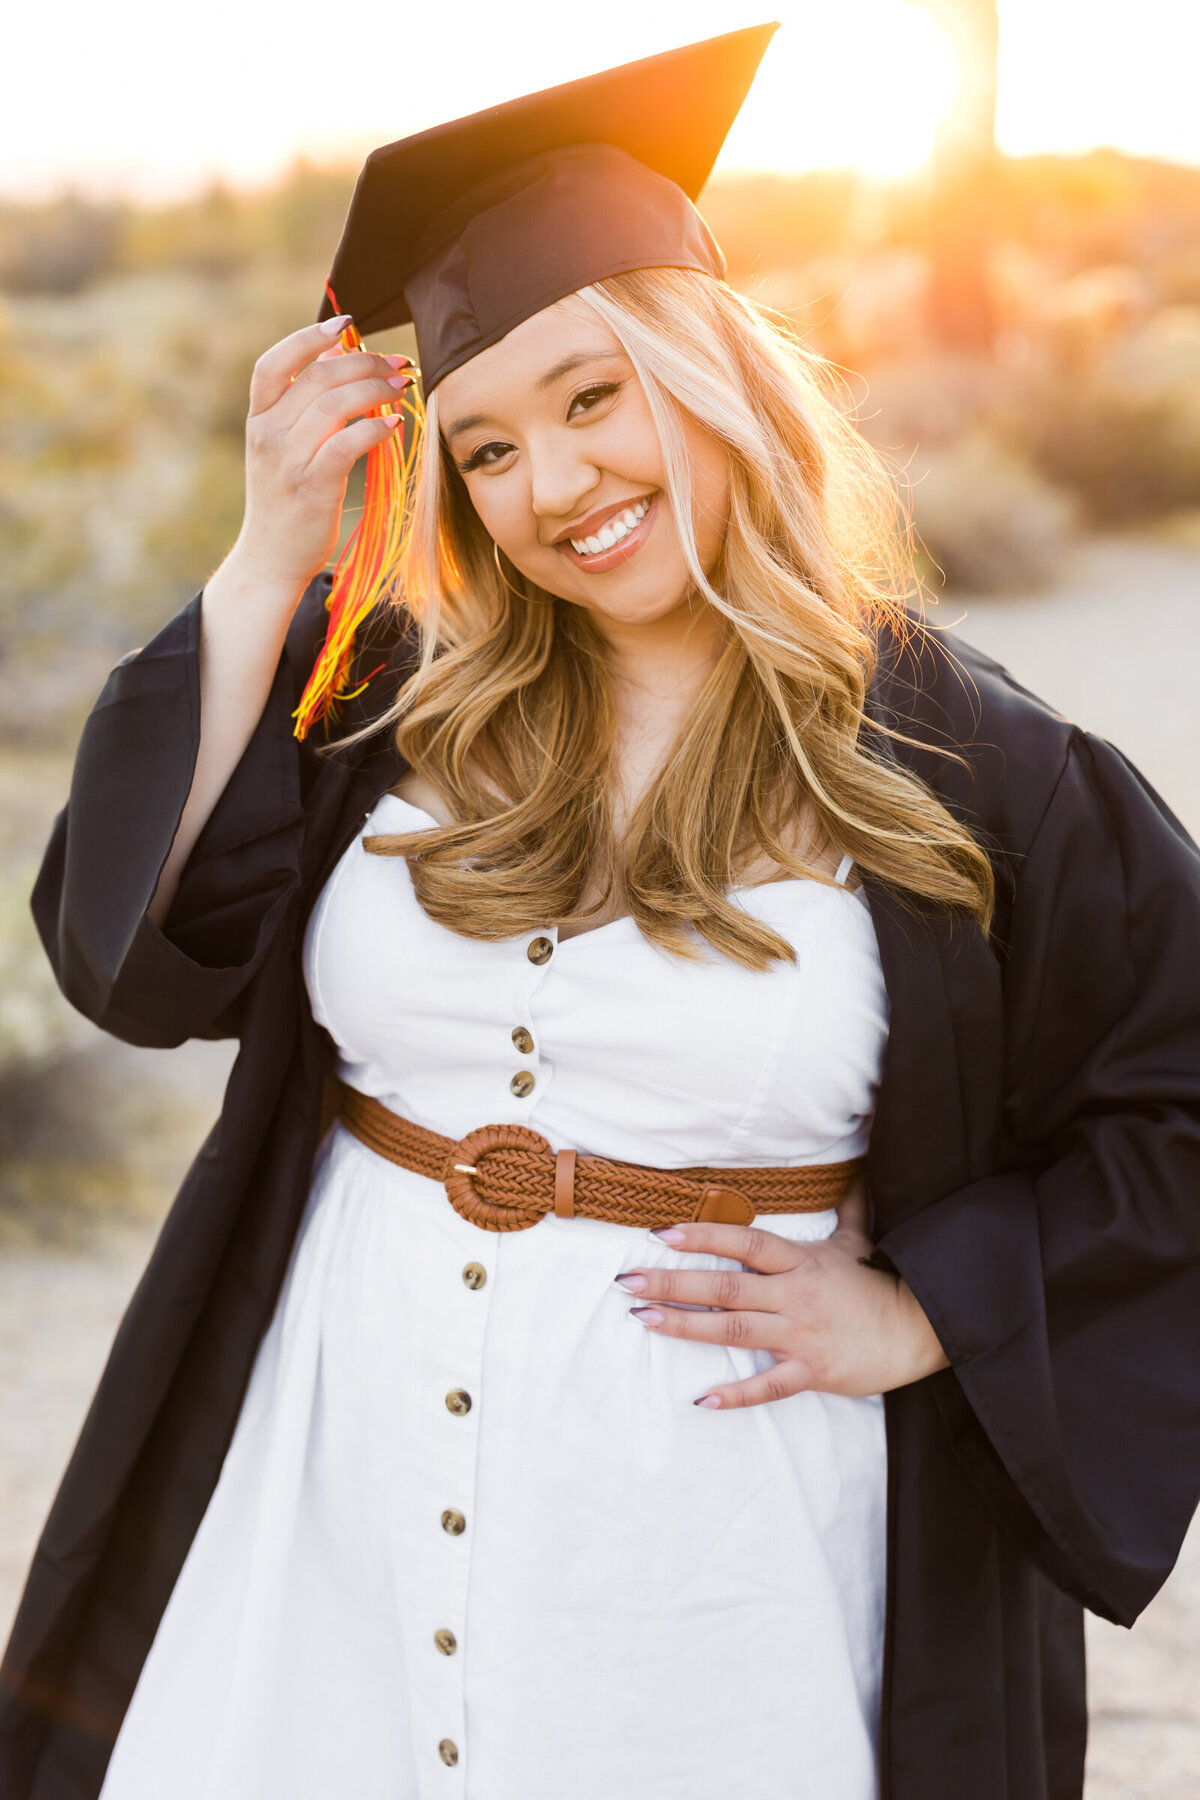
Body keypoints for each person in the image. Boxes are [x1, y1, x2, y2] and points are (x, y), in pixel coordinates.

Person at [3, 23, 1200, 1800]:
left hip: (715, 1549)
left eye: (592, 396)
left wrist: (930, 1310)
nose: (555, 489)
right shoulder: (393, 705)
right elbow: (137, 963)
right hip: (329, 1466)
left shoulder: (981, 774)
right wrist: (270, 554)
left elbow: (1176, 1109)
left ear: (711, 371)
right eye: (482, 450)